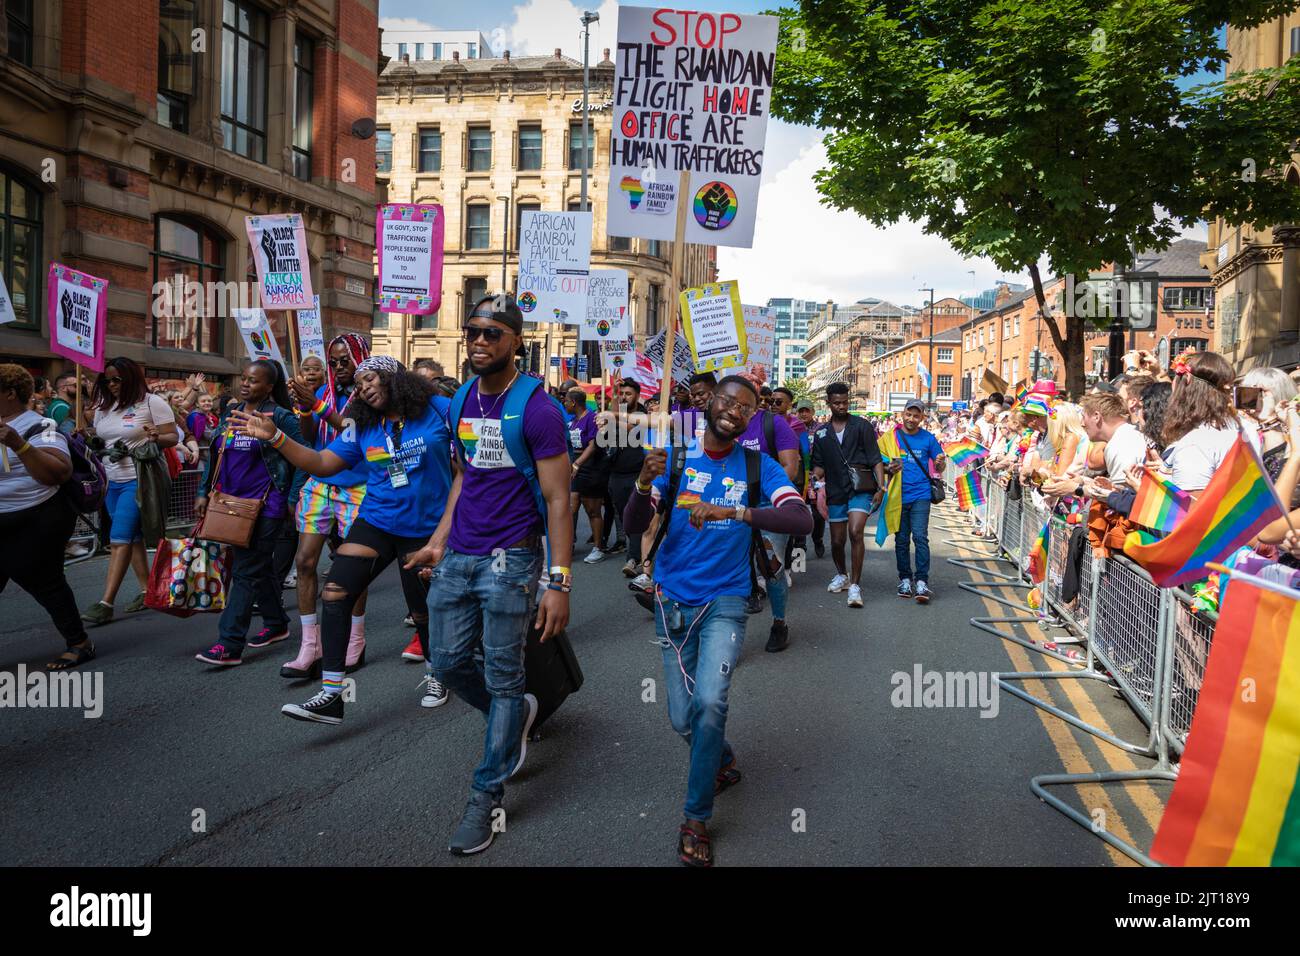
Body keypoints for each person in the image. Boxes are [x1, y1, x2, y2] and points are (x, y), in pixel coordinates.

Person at [404, 295, 572, 856]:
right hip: (458, 557)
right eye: (473, 331)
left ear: (516, 342)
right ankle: (517, 712)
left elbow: (558, 500)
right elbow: (462, 478)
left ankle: (487, 792)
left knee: (503, 676)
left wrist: (558, 580)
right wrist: (436, 541)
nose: (479, 341)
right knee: (447, 663)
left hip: (513, 560)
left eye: (492, 333)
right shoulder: (457, 404)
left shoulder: (539, 409)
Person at [623, 375, 811, 866]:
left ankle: (696, 817)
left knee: (709, 702)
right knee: (681, 717)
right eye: (727, 401)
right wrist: (644, 483)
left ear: (751, 418)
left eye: (745, 407)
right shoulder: (676, 459)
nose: (734, 410)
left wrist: (736, 511)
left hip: (726, 601)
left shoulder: (758, 466)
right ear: (709, 404)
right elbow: (632, 525)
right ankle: (721, 760)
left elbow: (801, 521)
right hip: (671, 601)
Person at [239, 356, 452, 710]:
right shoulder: (365, 425)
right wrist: (276, 437)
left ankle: (438, 674)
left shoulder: (437, 408)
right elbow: (322, 463)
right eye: (359, 384)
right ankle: (332, 693)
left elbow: (468, 454)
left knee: (422, 611)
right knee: (336, 592)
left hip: (425, 528)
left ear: (395, 378)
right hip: (378, 521)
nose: (364, 387)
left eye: (371, 379)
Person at [193, 360, 303, 666]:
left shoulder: (281, 417)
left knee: (245, 570)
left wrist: (291, 498)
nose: (245, 384)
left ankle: (229, 643)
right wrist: (203, 491)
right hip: (229, 504)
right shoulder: (230, 412)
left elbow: (301, 458)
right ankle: (277, 624)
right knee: (259, 567)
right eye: (243, 379)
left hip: (267, 507)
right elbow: (216, 453)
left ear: (269, 387)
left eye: (254, 381)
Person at [279, 334, 376, 676]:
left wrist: (319, 406)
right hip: (320, 483)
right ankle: (310, 644)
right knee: (305, 561)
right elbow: (309, 436)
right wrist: (307, 406)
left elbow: (353, 431)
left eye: (343, 361)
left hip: (358, 487)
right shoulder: (325, 392)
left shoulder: (370, 394)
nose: (337, 368)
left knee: (353, 565)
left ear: (360, 358)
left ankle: (355, 639)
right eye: (332, 362)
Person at [0, 365, 96, 669]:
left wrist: (19, 444)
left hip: (38, 517)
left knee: (44, 581)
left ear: (10, 393)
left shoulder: (40, 426)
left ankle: (79, 642)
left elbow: (58, 472)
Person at [81, 357, 179, 626]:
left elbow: (174, 436)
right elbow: (104, 437)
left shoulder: (151, 402)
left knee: (120, 539)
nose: (111, 385)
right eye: (107, 380)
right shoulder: (104, 407)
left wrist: (157, 437)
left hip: (140, 479)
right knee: (132, 538)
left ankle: (106, 603)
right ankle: (149, 590)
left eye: (117, 379)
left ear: (131, 378)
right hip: (112, 481)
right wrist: (92, 437)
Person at [810, 382, 883, 609]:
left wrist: (881, 488)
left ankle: (855, 585)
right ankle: (842, 574)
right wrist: (814, 479)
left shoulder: (862, 426)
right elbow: (819, 466)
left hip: (860, 488)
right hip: (835, 491)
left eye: (845, 402)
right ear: (828, 403)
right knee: (837, 541)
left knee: (855, 532)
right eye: (837, 403)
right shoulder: (821, 433)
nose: (842, 406)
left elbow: (875, 458)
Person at [879, 399, 945, 603]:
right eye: (909, 414)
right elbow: (878, 462)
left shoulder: (928, 438)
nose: (911, 419)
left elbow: (940, 466)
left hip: (921, 495)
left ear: (922, 418)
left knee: (920, 537)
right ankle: (905, 579)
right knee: (901, 540)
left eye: (916, 416)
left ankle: (922, 581)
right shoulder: (891, 437)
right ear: (902, 414)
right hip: (898, 496)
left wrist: (941, 463)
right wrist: (888, 467)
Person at [1157, 351, 1240, 494]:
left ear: (1187, 379)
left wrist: (1144, 490)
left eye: (1177, 378)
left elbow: (1192, 508)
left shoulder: (1196, 444)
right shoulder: (1242, 426)